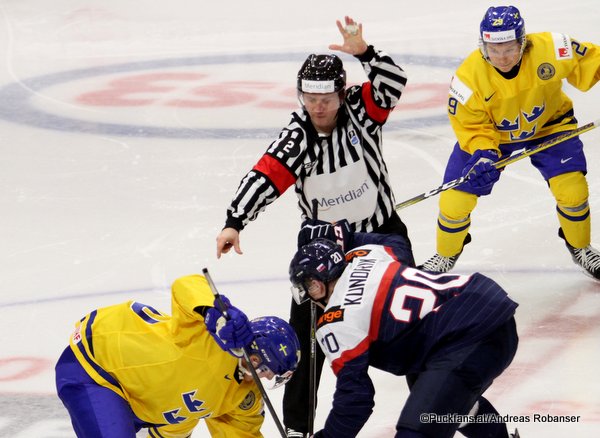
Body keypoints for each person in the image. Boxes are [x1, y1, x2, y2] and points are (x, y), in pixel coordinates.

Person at [215, 15, 414, 437]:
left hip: (383, 236)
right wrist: (236, 221)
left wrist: (364, 53)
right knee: (308, 344)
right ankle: (300, 429)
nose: (318, 106)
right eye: (310, 97)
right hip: (324, 252)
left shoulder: (362, 108)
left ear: (342, 93)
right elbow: (266, 174)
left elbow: (395, 82)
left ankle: (441, 412)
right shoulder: (298, 134)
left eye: (326, 97)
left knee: (408, 330)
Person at [420, 5, 600, 279]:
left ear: (522, 41)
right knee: (454, 203)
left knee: (573, 191)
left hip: (550, 125)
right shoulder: (469, 78)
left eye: (509, 48)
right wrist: (482, 155)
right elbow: (471, 126)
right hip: (494, 138)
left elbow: (592, 62)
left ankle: (581, 247)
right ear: (484, 45)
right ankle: (446, 253)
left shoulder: (553, 48)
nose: (502, 57)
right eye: (494, 49)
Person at [289, 231, 520, 438]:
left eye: (306, 287)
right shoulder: (366, 254)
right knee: (439, 397)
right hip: (485, 305)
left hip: (468, 337)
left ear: (317, 284)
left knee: (415, 431)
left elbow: (355, 399)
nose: (308, 297)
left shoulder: (336, 319)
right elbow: (395, 240)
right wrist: (344, 234)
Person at [55, 274, 300, 438]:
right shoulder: (209, 334)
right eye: (267, 371)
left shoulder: (244, 397)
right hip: (98, 364)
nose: (266, 380)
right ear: (255, 357)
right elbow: (187, 286)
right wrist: (213, 311)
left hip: (146, 403)